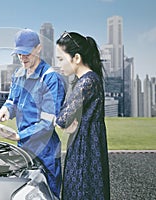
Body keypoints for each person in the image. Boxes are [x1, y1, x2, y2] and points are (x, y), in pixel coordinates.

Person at [0, 28, 66, 198]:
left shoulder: (51, 78)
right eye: (19, 53)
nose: (22, 58)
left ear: (38, 49)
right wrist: (6, 108)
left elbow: (47, 122)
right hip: (24, 148)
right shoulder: (18, 74)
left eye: (26, 53)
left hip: (46, 151)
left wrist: (21, 135)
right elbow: (12, 100)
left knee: (48, 194)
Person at [54, 31, 110, 199]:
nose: (59, 65)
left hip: (84, 148)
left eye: (61, 59)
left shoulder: (86, 82)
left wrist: (62, 119)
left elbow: (63, 119)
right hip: (88, 143)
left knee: (81, 190)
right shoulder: (90, 79)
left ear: (76, 58)